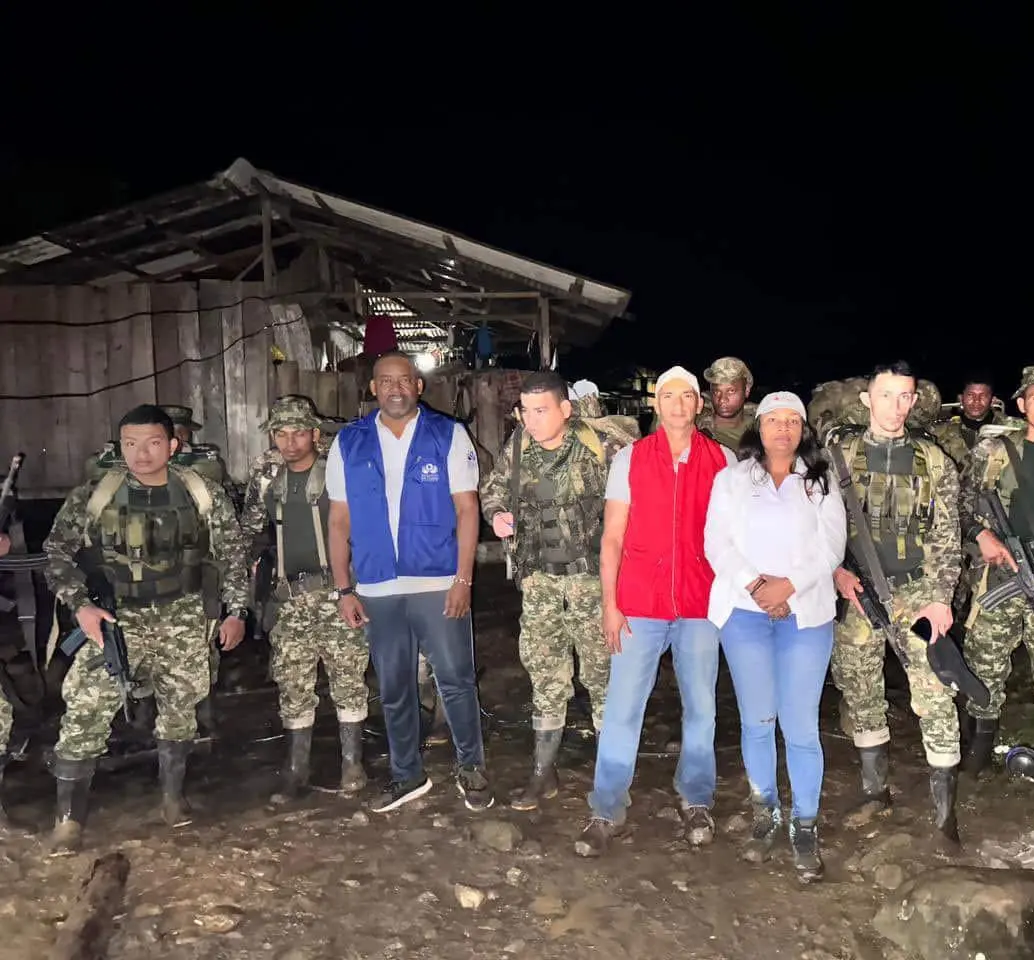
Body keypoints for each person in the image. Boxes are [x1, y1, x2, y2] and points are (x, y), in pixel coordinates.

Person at [43, 404, 250, 853]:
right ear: (120, 446)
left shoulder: (202, 491)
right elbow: (56, 553)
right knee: (85, 709)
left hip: (183, 615)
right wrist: (80, 606)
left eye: (153, 442)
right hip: (114, 617)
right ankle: (68, 820)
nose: (141, 453)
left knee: (180, 710)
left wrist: (237, 612)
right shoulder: (96, 493)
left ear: (173, 445)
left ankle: (173, 799)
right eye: (131, 444)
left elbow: (233, 556)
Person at [575, 366, 733, 857]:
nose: (679, 404)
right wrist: (610, 604)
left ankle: (696, 797)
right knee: (623, 706)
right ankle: (606, 806)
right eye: (669, 396)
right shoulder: (631, 459)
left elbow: (732, 536)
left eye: (687, 396)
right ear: (656, 404)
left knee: (701, 706)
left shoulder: (722, 460)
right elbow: (613, 536)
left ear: (699, 405)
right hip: (639, 603)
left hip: (700, 603)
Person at [326, 351, 492, 813]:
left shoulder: (447, 434)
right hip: (378, 587)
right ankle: (407, 774)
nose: (395, 388)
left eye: (404, 380)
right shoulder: (349, 443)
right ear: (373, 389)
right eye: (385, 381)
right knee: (394, 686)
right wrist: (344, 589)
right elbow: (338, 521)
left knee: (456, 679)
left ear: (418, 386)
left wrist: (464, 579)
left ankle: (470, 767)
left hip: (438, 581)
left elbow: (466, 510)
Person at [704, 392, 845, 881]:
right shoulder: (732, 479)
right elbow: (715, 542)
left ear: (802, 429)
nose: (782, 429)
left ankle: (804, 823)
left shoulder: (821, 481)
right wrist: (759, 586)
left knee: (800, 725)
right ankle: (766, 811)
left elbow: (832, 546)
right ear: (758, 427)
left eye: (792, 421)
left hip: (805, 612)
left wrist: (789, 586)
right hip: (745, 612)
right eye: (773, 421)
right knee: (758, 719)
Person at [827, 361, 963, 844]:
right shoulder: (839, 454)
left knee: (935, 693)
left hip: (918, 591)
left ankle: (945, 815)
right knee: (860, 686)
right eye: (886, 395)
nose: (896, 406)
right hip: (857, 592)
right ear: (868, 399)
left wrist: (941, 600)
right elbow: (820, 526)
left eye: (905, 396)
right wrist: (836, 572)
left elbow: (947, 537)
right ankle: (874, 791)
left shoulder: (933, 459)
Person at [481, 371, 627, 812]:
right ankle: (543, 773)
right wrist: (498, 513)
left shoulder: (602, 447)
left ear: (565, 409)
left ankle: (610, 778)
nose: (531, 419)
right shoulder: (519, 447)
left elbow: (633, 509)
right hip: (540, 583)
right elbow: (492, 489)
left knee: (602, 676)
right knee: (544, 674)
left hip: (591, 582)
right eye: (525, 411)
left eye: (541, 410)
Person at [240, 396, 370, 800]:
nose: (291, 442)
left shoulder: (339, 469)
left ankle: (353, 766)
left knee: (348, 678)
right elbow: (249, 531)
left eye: (299, 432)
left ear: (315, 433)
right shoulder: (266, 476)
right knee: (293, 683)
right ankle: (296, 769)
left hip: (338, 591)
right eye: (281, 433)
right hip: (289, 596)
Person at [957, 365, 1034, 774]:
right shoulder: (995, 451)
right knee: (984, 664)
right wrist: (979, 536)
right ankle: (979, 752)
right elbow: (960, 503)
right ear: (1021, 404)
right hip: (1003, 571)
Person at [932, 374, 1008, 468]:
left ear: (993, 400)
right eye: (971, 395)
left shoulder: (1009, 429)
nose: (976, 401)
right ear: (961, 398)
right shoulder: (939, 433)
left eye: (983, 395)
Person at [698, 356, 759, 452]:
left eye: (731, 391)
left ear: (746, 390)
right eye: (717, 391)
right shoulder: (694, 425)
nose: (722, 399)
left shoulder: (763, 429)